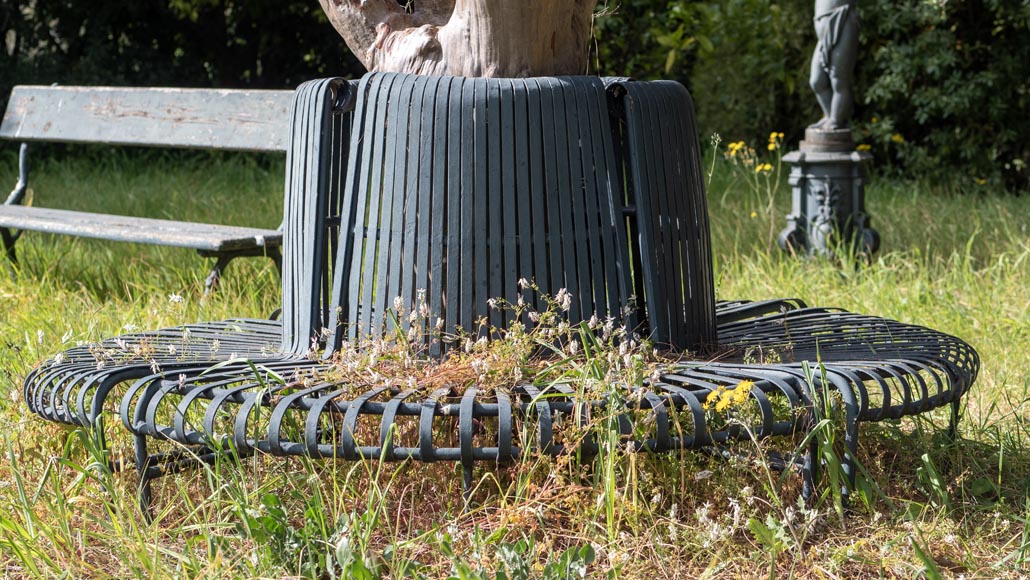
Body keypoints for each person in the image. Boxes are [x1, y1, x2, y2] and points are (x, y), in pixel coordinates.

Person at [809, 0, 858, 130]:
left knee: (838, 78)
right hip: (822, 29)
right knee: (817, 81)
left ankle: (836, 121)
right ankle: (830, 115)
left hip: (842, 19)